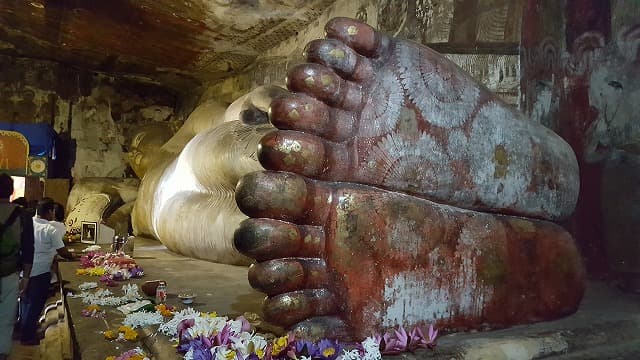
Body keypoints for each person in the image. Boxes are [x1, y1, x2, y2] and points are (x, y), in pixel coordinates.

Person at [19, 198, 74, 346]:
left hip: (24, 271)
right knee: (35, 305)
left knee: (25, 302)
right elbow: (63, 251)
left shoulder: (28, 223)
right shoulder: (50, 229)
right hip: (40, 272)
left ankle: (23, 329)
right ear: (50, 212)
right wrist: (74, 257)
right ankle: (27, 336)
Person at [0, 174, 33, 359]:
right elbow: (29, 249)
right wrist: (26, 277)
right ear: (12, 191)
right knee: (6, 318)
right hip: (9, 273)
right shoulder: (22, 215)